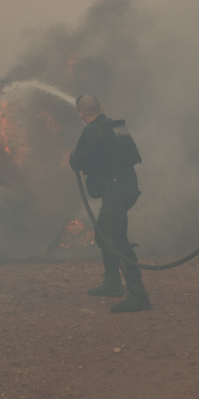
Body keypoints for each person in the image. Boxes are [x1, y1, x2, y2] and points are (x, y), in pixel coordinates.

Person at [69, 94, 150, 313]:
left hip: (115, 191)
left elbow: (78, 161)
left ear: (81, 115)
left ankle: (138, 294)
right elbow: (130, 155)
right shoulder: (117, 127)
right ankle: (113, 283)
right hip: (127, 187)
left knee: (116, 239)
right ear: (102, 107)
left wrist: (71, 158)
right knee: (103, 231)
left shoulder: (91, 130)